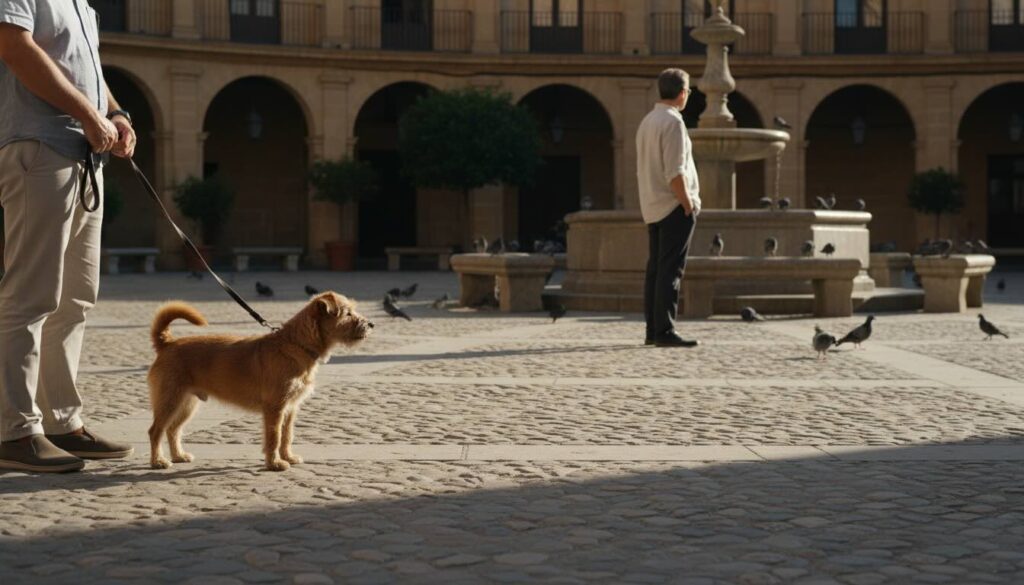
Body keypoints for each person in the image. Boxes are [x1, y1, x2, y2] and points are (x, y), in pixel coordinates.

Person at [0, 0, 137, 472]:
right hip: (39, 149)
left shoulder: (81, 4)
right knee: (30, 295)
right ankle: (13, 431)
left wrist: (116, 115)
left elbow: (91, 73)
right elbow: (14, 47)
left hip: (84, 158)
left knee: (76, 298)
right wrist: (87, 114)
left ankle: (61, 422)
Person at [637, 68, 701, 348]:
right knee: (670, 271)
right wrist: (687, 204)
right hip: (673, 206)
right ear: (682, 93)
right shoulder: (673, 123)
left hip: (652, 206)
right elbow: (675, 172)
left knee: (656, 271)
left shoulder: (648, 121)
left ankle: (653, 330)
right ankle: (665, 330)